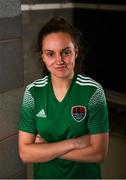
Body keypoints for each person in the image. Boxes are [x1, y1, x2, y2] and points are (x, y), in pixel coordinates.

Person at [18, 16, 109, 179]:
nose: (59, 61)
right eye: (50, 54)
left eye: (65, 52)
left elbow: (99, 153)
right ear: (43, 57)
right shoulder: (32, 93)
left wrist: (46, 149)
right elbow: (25, 154)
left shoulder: (93, 91)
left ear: (76, 52)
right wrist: (76, 143)